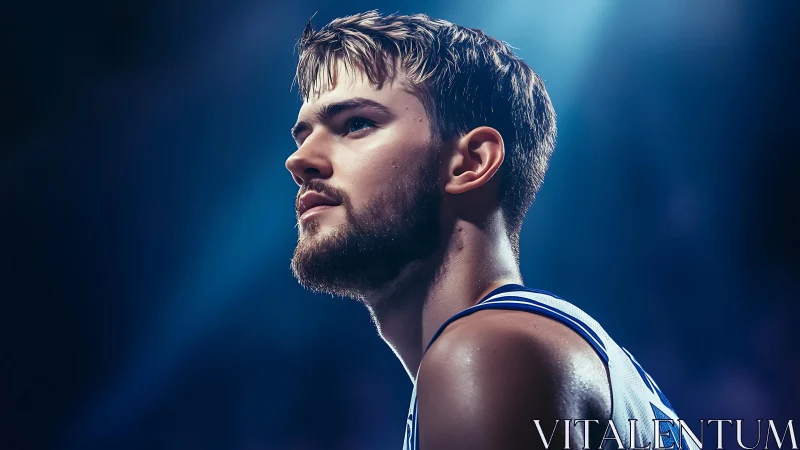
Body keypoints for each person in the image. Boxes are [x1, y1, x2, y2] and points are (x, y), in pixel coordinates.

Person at [286, 10, 698, 450]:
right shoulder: (532, 346)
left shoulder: (484, 352)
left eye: (356, 124)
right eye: (303, 136)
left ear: (472, 162)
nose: (299, 161)